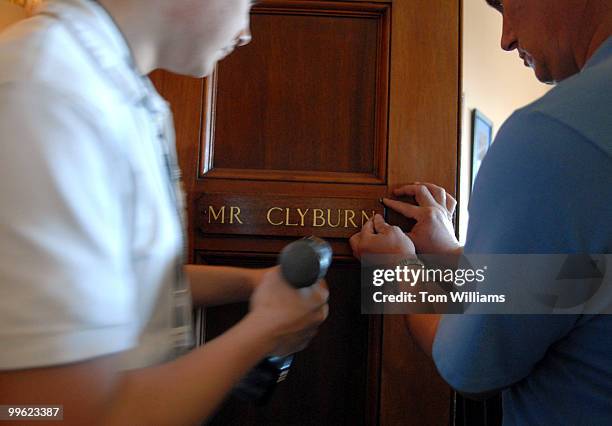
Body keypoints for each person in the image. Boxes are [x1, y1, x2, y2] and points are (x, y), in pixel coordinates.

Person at [0, 0, 329, 424]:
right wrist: (265, 330)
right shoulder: (48, 93)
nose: (246, 30)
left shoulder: (129, 97)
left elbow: (119, 282)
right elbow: (54, 414)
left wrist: (253, 283)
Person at [350, 0, 612, 424]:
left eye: (507, 4)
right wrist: (450, 254)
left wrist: (396, 272)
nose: (506, 38)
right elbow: (584, 283)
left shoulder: (553, 136)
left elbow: (471, 371)